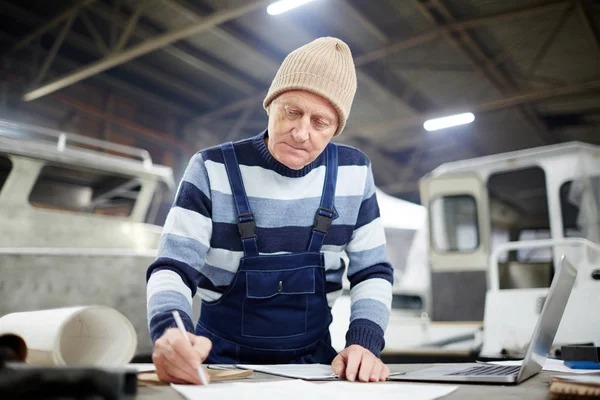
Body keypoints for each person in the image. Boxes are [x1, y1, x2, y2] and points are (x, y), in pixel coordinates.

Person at [146, 37, 394, 384]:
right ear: (270, 105)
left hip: (315, 368)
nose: (301, 132)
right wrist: (170, 332)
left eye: (320, 122)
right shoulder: (210, 168)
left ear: (336, 128)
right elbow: (173, 267)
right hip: (215, 365)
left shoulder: (354, 173)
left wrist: (365, 344)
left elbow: (372, 272)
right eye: (292, 112)